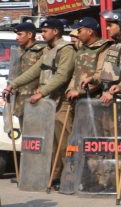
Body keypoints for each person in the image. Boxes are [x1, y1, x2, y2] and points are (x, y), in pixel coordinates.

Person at [6, 18, 75, 185]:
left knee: (63, 142)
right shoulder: (48, 51)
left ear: (56, 32)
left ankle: (70, 178)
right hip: (49, 100)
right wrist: (12, 84)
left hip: (61, 100)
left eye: (45, 31)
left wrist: (41, 92)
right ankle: (54, 177)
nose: (41, 34)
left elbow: (62, 76)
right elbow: (34, 71)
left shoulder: (66, 50)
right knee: (50, 142)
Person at [91, 10, 121, 104]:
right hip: (107, 97)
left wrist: (117, 90)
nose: (107, 28)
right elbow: (106, 72)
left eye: (110, 25)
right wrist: (92, 79)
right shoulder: (114, 44)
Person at [66, 17, 111, 103]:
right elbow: (75, 74)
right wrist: (70, 89)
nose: (78, 35)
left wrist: (79, 91)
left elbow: (102, 75)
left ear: (90, 32)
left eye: (80, 31)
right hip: (78, 99)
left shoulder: (104, 47)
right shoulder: (82, 49)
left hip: (95, 100)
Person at [8, 21, 46, 120]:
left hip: (33, 99)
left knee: (33, 132)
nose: (17, 38)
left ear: (29, 35)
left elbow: (45, 75)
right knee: (24, 132)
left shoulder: (41, 51)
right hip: (19, 98)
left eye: (20, 34)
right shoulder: (19, 51)